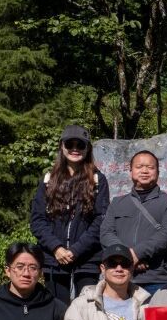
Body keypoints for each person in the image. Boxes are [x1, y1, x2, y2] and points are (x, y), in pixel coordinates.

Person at [30, 125, 111, 304]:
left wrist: (76, 250)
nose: (75, 149)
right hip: (54, 260)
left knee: (87, 311)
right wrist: (56, 248)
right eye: (70, 144)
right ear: (62, 146)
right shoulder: (48, 180)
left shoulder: (98, 180)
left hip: (87, 259)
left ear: (87, 148)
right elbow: (37, 220)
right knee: (56, 311)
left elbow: (101, 220)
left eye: (80, 145)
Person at [101, 149, 167, 293]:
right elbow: (106, 233)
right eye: (139, 167)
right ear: (131, 171)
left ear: (158, 172)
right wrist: (126, 256)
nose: (144, 171)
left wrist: (138, 253)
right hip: (121, 277)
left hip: (156, 277)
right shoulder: (117, 203)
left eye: (150, 167)